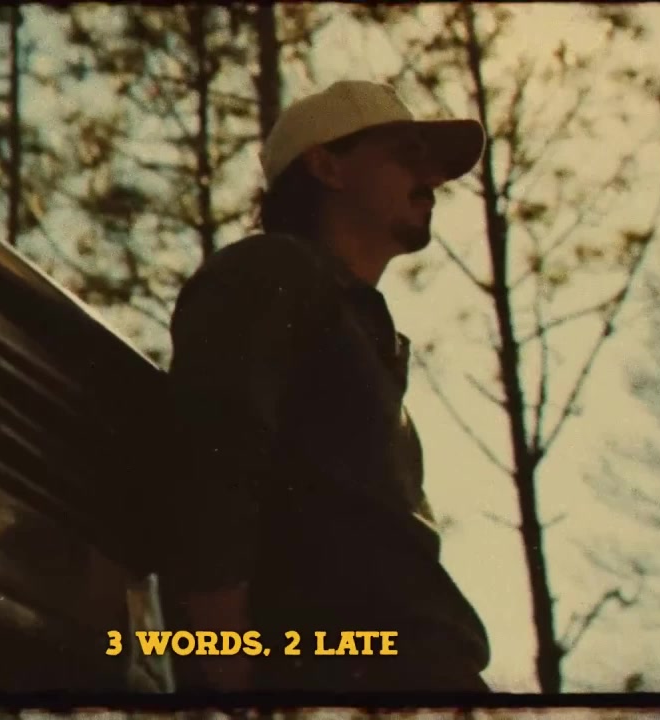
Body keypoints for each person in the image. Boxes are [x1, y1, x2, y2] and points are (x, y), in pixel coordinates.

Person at [161, 79, 492, 693]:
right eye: (406, 156)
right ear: (327, 167)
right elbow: (214, 453)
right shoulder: (271, 271)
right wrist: (226, 658)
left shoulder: (360, 333)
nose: (430, 181)